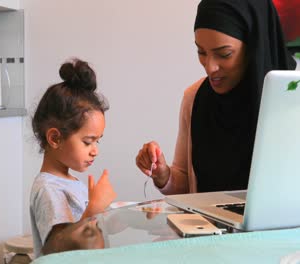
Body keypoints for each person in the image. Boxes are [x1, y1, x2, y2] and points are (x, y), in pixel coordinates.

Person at [135, 0, 297, 194]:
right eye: (201, 52)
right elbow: (187, 183)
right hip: (208, 225)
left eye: (224, 54)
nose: (210, 67)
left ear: (254, 47)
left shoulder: (291, 98)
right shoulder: (194, 97)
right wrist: (163, 175)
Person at [30, 58, 117, 258]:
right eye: (88, 142)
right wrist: (93, 209)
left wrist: (127, 217)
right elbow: (57, 248)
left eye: (98, 141)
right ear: (55, 138)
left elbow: (94, 229)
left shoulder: (69, 182)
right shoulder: (48, 188)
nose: (95, 150)